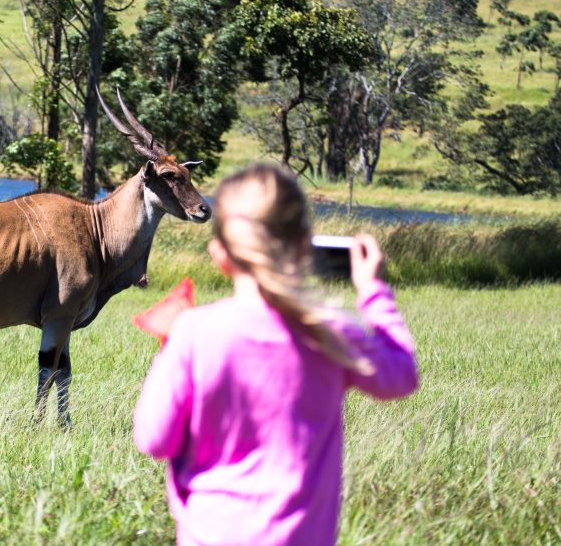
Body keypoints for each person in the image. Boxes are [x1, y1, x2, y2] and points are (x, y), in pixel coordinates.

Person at [133, 164, 419, 546]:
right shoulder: (330, 331)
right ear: (304, 247)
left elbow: (154, 439)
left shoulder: (193, 332)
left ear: (220, 254)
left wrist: (168, 354)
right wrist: (374, 293)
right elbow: (400, 376)